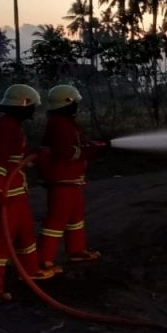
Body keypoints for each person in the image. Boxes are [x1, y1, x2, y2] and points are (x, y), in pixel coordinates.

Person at [0, 85, 54, 302]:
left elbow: (14, 158)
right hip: (8, 194)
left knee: (25, 234)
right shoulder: (4, 128)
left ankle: (30, 270)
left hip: (17, 192)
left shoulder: (12, 126)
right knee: (2, 239)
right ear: (22, 105)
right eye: (31, 106)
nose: (34, 110)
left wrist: (34, 154)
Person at [37, 85, 106, 271]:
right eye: (74, 102)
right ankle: (43, 260)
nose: (77, 106)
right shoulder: (59, 123)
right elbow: (65, 152)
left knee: (76, 218)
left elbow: (80, 143)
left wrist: (96, 146)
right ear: (67, 103)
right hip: (61, 181)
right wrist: (91, 152)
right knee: (56, 220)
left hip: (71, 180)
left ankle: (76, 250)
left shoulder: (66, 122)